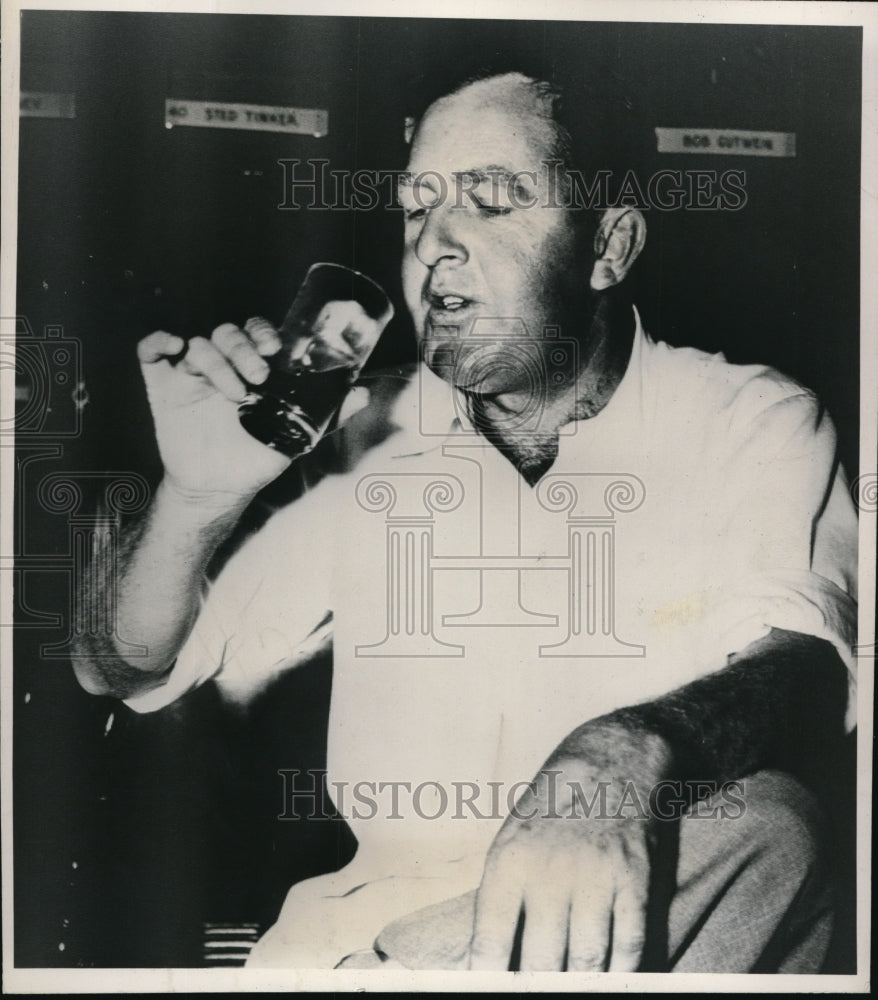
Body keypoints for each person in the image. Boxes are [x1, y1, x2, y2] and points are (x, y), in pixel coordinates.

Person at [71, 69, 858, 972]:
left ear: (608, 246)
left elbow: (806, 666)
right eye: (416, 208)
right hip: (369, 949)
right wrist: (196, 501)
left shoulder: (748, 421)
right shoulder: (361, 429)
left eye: (488, 202)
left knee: (771, 830)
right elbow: (115, 664)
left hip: (637, 935)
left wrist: (618, 754)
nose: (433, 244)